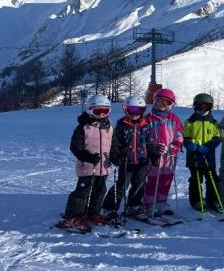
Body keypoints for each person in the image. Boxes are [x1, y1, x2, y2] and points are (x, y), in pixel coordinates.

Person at [57, 95, 114, 233]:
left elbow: (113, 145)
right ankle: (73, 217)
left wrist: (116, 155)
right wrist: (87, 157)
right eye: (97, 111)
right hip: (87, 167)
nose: (101, 114)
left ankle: (93, 213)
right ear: (90, 110)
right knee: (83, 192)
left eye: (105, 111)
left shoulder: (109, 127)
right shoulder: (83, 127)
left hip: (103, 167)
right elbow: (75, 147)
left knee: (99, 191)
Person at [104, 95, 158, 220]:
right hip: (126, 161)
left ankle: (134, 207)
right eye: (131, 110)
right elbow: (115, 143)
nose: (134, 113)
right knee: (122, 185)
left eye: (137, 110)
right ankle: (109, 208)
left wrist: (153, 154)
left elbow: (149, 142)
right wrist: (116, 155)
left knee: (139, 184)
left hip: (142, 161)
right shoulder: (122, 125)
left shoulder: (145, 125)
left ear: (142, 111)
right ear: (125, 110)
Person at [142, 88, 183, 216]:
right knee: (153, 179)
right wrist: (153, 148)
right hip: (154, 156)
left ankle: (161, 202)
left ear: (171, 105)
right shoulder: (148, 119)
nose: (162, 105)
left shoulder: (173, 118)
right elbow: (143, 137)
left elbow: (179, 135)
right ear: (154, 101)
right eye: (159, 101)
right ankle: (148, 204)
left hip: (169, 157)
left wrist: (176, 145)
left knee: (166, 179)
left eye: (166, 102)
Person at [183, 93, 222, 212]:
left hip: (208, 157)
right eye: (199, 107)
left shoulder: (214, 123)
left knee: (212, 179)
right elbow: (185, 138)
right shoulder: (190, 122)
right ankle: (196, 200)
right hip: (194, 157)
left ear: (210, 108)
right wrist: (190, 144)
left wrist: (209, 146)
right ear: (195, 107)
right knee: (196, 179)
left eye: (205, 107)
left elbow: (217, 138)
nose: (202, 109)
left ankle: (212, 200)